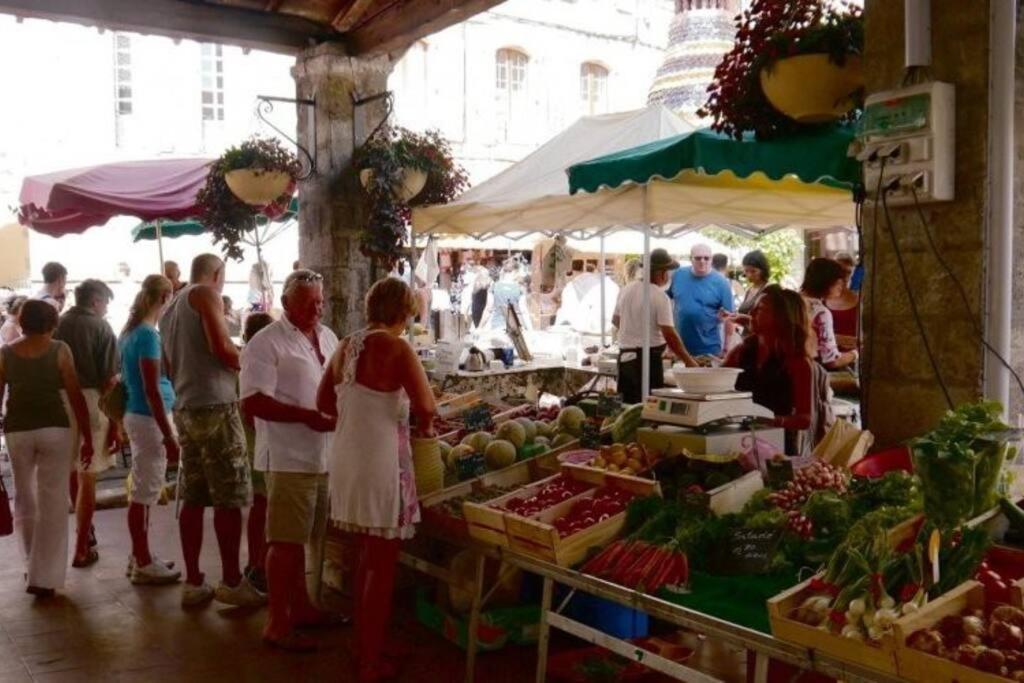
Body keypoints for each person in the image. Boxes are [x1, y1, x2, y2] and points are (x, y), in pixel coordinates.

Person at [318, 278, 437, 681]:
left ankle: (365, 643)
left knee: (363, 560)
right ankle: (369, 658)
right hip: (382, 463)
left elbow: (322, 402)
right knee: (380, 566)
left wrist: (356, 418)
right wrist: (418, 425)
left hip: (348, 461)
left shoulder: (345, 345)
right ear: (404, 312)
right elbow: (426, 404)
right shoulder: (398, 346)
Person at [241, 270, 344, 652]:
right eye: (307, 302)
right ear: (285, 304)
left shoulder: (329, 336)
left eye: (319, 301)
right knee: (284, 541)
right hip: (288, 456)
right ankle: (277, 621)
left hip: (323, 454)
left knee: (307, 537)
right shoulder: (265, 343)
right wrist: (306, 417)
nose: (316, 308)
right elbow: (252, 400)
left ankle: (302, 608)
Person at [161, 253, 263, 608]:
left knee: (192, 495)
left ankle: (193, 580)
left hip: (185, 405)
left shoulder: (170, 307)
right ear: (217, 273)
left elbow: (167, 365)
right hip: (216, 405)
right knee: (229, 498)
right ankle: (232, 581)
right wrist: (253, 362)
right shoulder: (206, 295)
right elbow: (222, 348)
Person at [0, 300, 93, 597]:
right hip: (55, 427)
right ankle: (46, 577)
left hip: (17, 430)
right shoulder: (59, 350)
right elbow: (76, 396)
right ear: (52, 321)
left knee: (25, 498)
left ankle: (29, 564)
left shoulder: (5, 353)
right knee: (53, 502)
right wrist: (88, 436)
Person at [120, 275, 182, 585]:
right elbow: (151, 388)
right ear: (165, 297)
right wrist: (169, 435)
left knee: (144, 488)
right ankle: (143, 560)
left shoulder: (131, 332)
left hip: (139, 414)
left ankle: (140, 553)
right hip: (148, 418)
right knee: (145, 492)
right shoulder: (147, 336)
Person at [54, 279, 118, 568]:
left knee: (72, 469)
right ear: (96, 301)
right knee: (88, 474)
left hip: (58, 401)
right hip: (91, 400)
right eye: (105, 303)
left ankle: (85, 530)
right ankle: (81, 546)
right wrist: (116, 420)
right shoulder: (101, 328)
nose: (106, 309)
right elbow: (109, 379)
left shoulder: (57, 323)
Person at [724, 285, 813, 455]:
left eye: (760, 309)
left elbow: (804, 420)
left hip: (778, 446)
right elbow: (718, 385)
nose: (752, 314)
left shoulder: (797, 362)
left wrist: (771, 420)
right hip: (738, 442)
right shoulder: (741, 351)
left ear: (782, 317)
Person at [612, 249, 697, 404]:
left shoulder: (626, 289)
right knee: (648, 406)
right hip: (646, 361)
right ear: (661, 273)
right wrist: (688, 360)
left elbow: (616, 320)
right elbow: (669, 334)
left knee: (626, 407)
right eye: (668, 272)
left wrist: (634, 331)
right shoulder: (659, 296)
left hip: (625, 357)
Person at [240, 312, 274, 594]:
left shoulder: (247, 363)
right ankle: (258, 564)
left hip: (253, 448)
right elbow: (252, 414)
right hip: (260, 448)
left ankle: (257, 562)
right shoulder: (256, 367)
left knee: (260, 508)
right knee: (263, 508)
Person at [669, 244, 735, 357]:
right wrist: (668, 344)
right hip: (679, 347)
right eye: (698, 258)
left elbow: (730, 317)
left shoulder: (722, 283)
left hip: (709, 348)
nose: (702, 261)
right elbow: (666, 301)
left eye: (706, 258)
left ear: (711, 259)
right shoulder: (678, 274)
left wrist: (726, 348)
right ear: (691, 259)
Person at [801, 258, 858, 370]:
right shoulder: (821, 312)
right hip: (806, 372)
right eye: (838, 282)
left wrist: (842, 339)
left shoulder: (792, 300)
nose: (841, 287)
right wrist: (856, 353)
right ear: (827, 282)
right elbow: (831, 361)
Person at [479, 260, 531, 332]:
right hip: (515, 327)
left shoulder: (494, 286)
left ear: (503, 270)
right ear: (515, 271)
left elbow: (488, 309)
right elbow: (524, 311)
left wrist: (480, 327)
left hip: (497, 326)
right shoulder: (520, 289)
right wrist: (530, 330)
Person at [825, 252, 860, 352]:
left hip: (853, 357)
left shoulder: (859, 300)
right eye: (840, 271)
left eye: (848, 272)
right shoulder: (822, 299)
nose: (843, 275)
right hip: (826, 357)